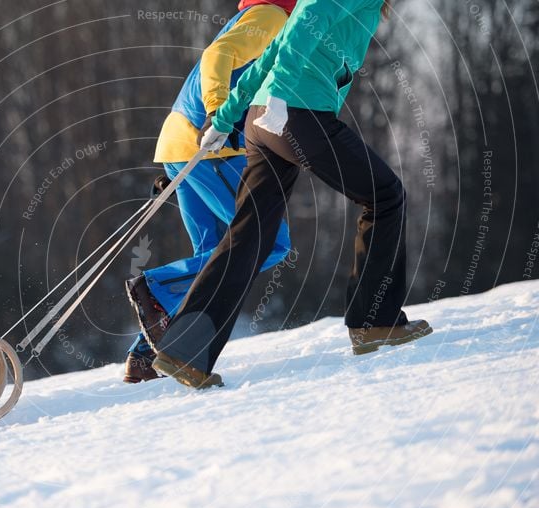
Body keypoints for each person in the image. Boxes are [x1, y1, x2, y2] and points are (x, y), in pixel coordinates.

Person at [152, 0, 433, 388]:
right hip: (297, 113)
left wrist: (227, 116)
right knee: (385, 196)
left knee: (250, 233)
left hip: (262, 117)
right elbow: (307, 18)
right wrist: (282, 94)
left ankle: (185, 351)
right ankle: (375, 323)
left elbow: (277, 44)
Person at [124, 0, 296, 383]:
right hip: (209, 145)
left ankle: (147, 352)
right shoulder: (272, 16)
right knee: (269, 243)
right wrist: (219, 114)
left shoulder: (262, 16)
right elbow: (218, 54)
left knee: (214, 254)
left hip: (186, 144)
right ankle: (155, 286)